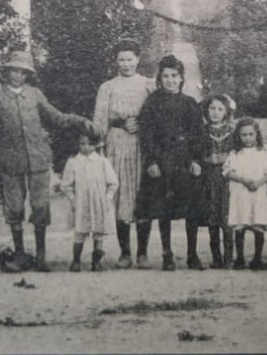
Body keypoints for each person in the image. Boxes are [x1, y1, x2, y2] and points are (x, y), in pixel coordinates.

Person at [0, 50, 94, 273]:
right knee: (14, 207)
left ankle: (41, 257)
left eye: (23, 72)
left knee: (41, 206)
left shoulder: (34, 94)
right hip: (11, 161)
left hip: (38, 158)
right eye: (14, 70)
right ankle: (20, 255)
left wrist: (80, 121)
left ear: (28, 75)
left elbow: (56, 117)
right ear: (6, 72)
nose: (18, 76)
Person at [135, 54, 208, 271]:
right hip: (162, 161)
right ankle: (167, 254)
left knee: (191, 209)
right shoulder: (152, 103)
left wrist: (197, 160)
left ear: (181, 78)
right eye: (165, 76)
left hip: (185, 160)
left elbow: (198, 134)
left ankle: (192, 254)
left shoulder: (190, 103)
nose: (170, 80)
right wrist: (151, 161)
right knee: (163, 208)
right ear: (160, 78)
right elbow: (146, 135)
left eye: (174, 76)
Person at [92, 40, 155, 269]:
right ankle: (125, 252)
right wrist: (101, 147)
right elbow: (100, 121)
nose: (126, 64)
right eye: (121, 59)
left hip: (141, 145)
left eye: (130, 59)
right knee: (119, 194)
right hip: (116, 144)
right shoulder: (107, 87)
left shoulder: (148, 85)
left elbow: (157, 115)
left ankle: (143, 253)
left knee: (141, 194)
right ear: (115, 61)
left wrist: (141, 123)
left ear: (138, 59)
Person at [58, 129, 119, 272]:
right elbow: (65, 185)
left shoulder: (102, 162)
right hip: (81, 203)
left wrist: (107, 198)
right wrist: (73, 199)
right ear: (78, 144)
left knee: (99, 230)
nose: (86, 147)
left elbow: (113, 182)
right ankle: (76, 261)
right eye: (82, 144)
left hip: (99, 202)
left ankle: (96, 262)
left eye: (90, 144)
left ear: (95, 145)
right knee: (80, 231)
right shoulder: (73, 162)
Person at [224, 117, 267, 270]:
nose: (247, 138)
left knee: (257, 225)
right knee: (240, 225)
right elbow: (227, 172)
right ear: (238, 136)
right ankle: (239, 258)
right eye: (243, 135)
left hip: (257, 194)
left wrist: (258, 183)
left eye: (250, 134)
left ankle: (257, 258)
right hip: (241, 194)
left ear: (256, 135)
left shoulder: (262, 153)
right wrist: (244, 180)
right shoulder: (235, 154)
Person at [199, 94, 237, 269]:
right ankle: (216, 257)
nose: (215, 112)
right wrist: (208, 159)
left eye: (220, 109)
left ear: (226, 111)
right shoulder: (201, 131)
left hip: (228, 180)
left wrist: (228, 158)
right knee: (212, 218)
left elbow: (240, 153)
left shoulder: (232, 131)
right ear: (207, 110)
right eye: (212, 108)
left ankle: (229, 257)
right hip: (208, 180)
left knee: (227, 218)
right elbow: (197, 153)